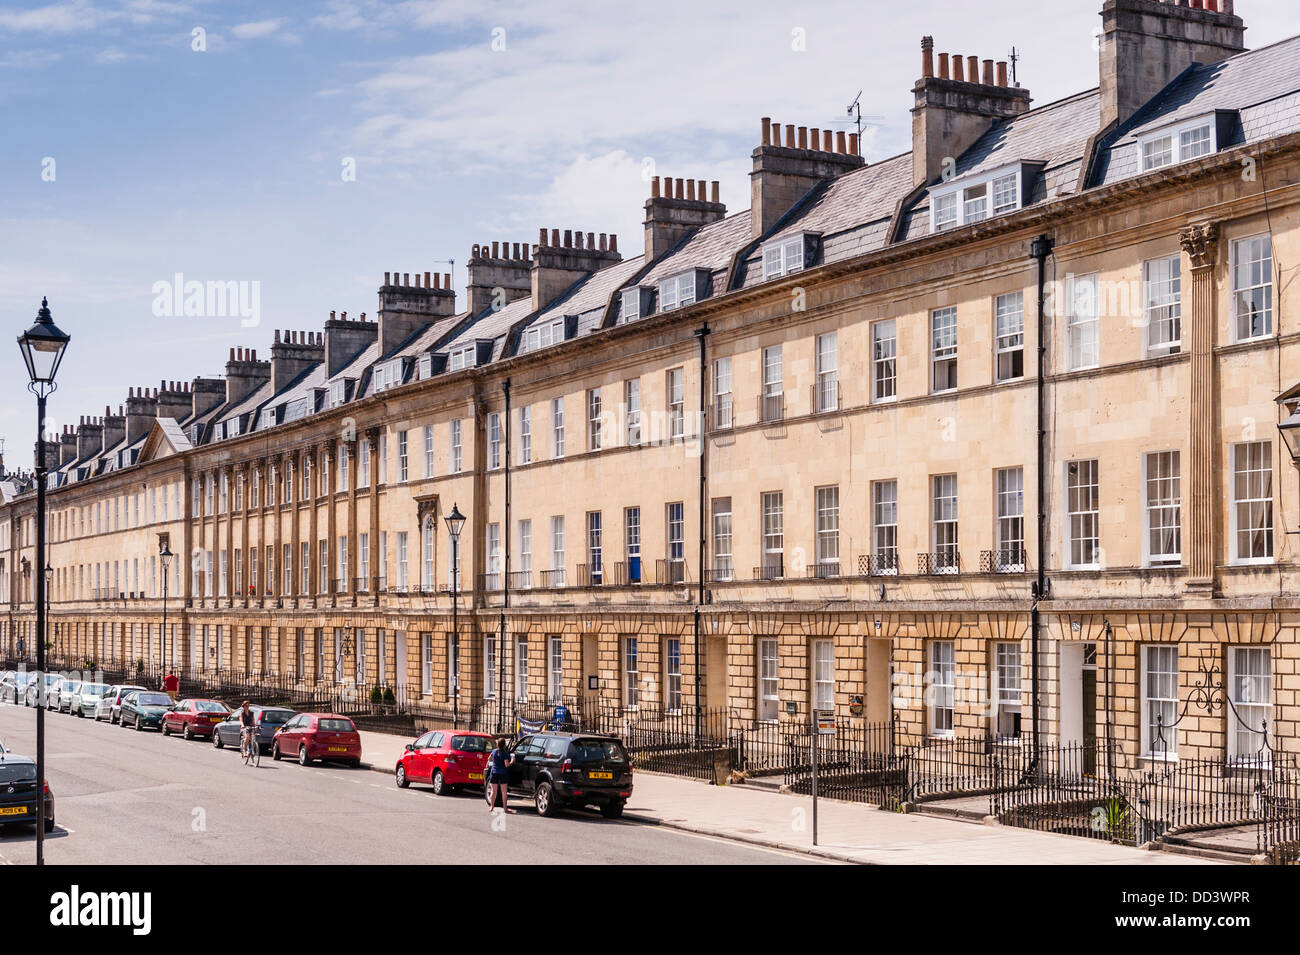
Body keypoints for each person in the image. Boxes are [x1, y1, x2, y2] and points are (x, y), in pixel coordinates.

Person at [486, 738, 515, 813]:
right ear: (504, 745)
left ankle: (491, 807)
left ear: (497, 744)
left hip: (494, 772)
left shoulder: (494, 751)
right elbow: (507, 765)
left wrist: (496, 760)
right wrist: (512, 760)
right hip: (502, 773)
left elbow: (489, 759)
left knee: (493, 791)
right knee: (504, 792)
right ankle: (505, 808)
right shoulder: (505, 753)